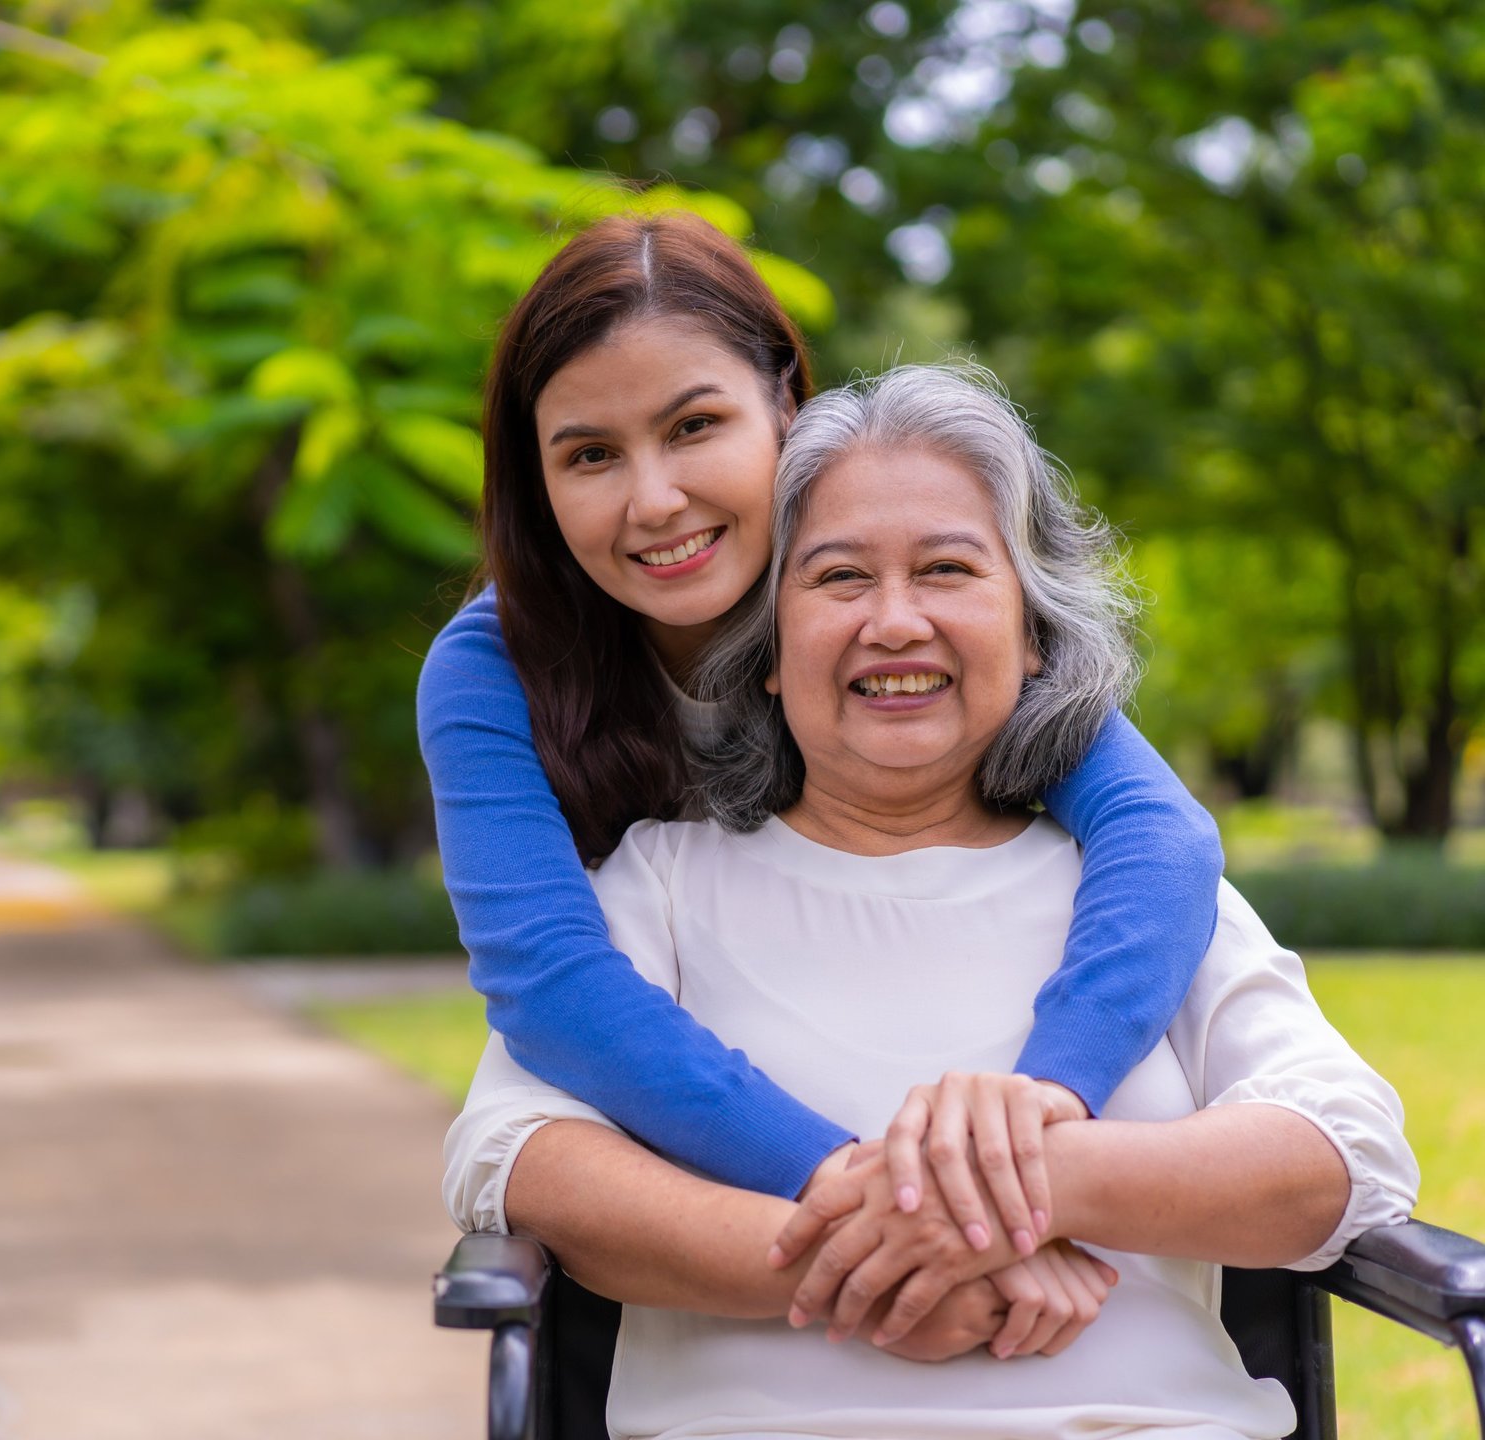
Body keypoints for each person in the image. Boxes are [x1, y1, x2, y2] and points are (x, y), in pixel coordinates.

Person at [443, 364, 1417, 1440]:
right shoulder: (661, 884)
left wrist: (1034, 1173)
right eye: (839, 578)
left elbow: (1347, 1155)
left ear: (1033, 631)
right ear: (767, 653)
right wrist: (877, 1267)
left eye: (948, 569)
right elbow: (520, 1156)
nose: (895, 621)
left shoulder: (1141, 896)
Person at [418, 211, 1226, 1270]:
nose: (654, 500)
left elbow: (1160, 837)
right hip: (694, 1175)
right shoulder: (493, 668)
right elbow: (552, 985)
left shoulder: (897, 623)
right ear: (538, 481)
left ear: (785, 411)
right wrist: (855, 1188)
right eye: (591, 455)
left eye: (694, 426)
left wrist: (1032, 1119)